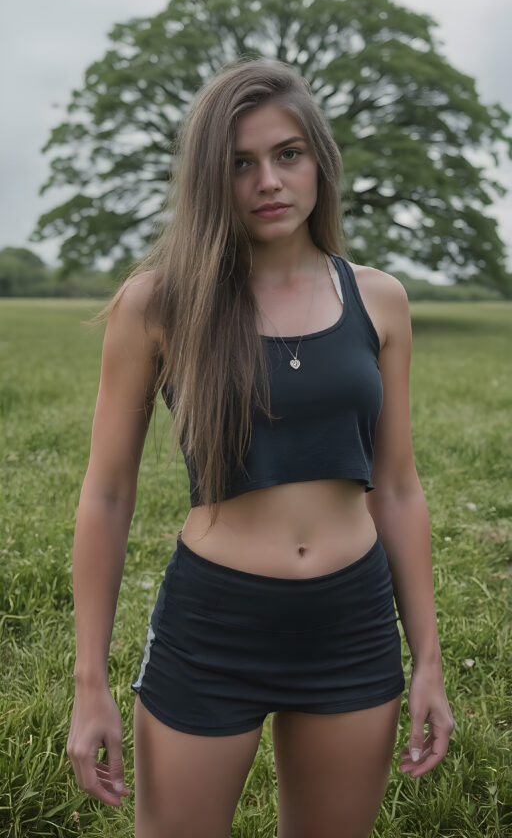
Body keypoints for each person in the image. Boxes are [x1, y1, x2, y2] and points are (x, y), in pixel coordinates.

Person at [67, 57, 456, 838]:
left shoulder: (379, 298)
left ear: (320, 160)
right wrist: (89, 682)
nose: (268, 181)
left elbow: (398, 486)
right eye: (240, 163)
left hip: (351, 623)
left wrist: (430, 662)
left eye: (287, 154)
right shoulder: (158, 303)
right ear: (213, 178)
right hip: (214, 625)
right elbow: (107, 493)